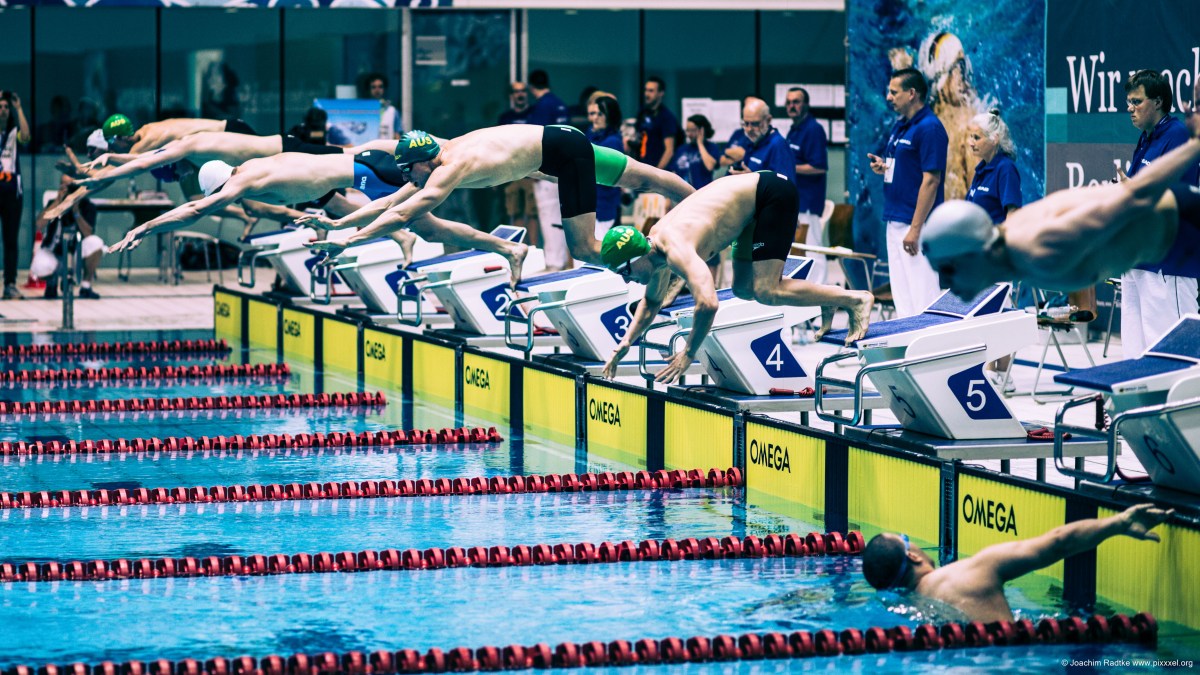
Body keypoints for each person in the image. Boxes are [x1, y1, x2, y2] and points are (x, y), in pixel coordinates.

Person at [920, 83, 1200, 301]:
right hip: (1166, 245)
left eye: (949, 270)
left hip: (1185, 229)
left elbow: (1136, 195)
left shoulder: (1041, 246)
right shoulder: (1013, 247)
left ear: (977, 252)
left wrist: (1196, 144)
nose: (948, 284)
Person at [597, 171, 874, 384]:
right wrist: (625, 343)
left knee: (767, 290)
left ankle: (855, 299)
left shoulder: (676, 249)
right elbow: (651, 303)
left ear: (637, 257)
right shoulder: (654, 250)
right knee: (743, 289)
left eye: (625, 272)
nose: (627, 280)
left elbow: (708, 303)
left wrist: (688, 353)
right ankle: (827, 297)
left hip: (770, 195)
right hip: (748, 211)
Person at [305, 128, 694, 268]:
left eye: (408, 171)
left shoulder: (450, 168)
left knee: (584, 249)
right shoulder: (443, 153)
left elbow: (404, 214)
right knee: (652, 179)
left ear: (423, 162)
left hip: (561, 156)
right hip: (560, 140)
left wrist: (350, 241)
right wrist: (338, 224)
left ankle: (654, 257)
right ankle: (704, 206)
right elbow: (390, 203)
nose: (405, 178)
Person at [105, 151, 519, 282]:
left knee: (428, 227)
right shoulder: (252, 167)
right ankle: (501, 249)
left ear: (221, 185)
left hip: (370, 173)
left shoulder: (241, 182)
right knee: (425, 227)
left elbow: (195, 209)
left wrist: (144, 226)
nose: (220, 202)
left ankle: (506, 250)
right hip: (364, 166)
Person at [862, 503, 1173, 623]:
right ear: (913, 555)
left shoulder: (906, 610)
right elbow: (1057, 543)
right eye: (906, 539)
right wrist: (1118, 523)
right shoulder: (970, 572)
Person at [1116, 70, 1200, 357]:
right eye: (1128, 102)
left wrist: (1134, 192)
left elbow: (1176, 196)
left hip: (1169, 261)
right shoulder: (1146, 139)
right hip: (1139, 258)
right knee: (1135, 352)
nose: (1130, 108)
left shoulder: (1177, 135)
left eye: (1137, 101)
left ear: (1158, 102)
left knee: (1172, 353)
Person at [867, 68, 948, 317]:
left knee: (923, 295)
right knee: (902, 297)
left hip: (917, 223)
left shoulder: (930, 128)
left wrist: (915, 228)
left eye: (894, 92)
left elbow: (931, 181)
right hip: (895, 218)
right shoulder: (901, 126)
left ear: (912, 93)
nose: (888, 97)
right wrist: (885, 166)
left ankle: (931, 341)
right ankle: (907, 339)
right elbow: (907, 166)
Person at [527, 69, 572, 269]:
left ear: (531, 87)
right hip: (563, 167)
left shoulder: (542, 108)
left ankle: (554, 262)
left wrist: (532, 168)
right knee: (560, 217)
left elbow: (535, 141)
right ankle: (561, 260)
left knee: (549, 217)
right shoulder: (560, 105)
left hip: (547, 171)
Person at [36, 175, 104, 300]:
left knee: (96, 243)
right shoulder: (53, 203)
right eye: (63, 184)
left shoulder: (87, 205)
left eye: (70, 185)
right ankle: (51, 284)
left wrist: (76, 210)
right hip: (55, 253)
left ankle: (86, 286)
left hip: (76, 255)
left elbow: (88, 233)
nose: (67, 188)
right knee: (40, 267)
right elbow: (38, 225)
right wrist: (57, 203)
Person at [631, 77, 680, 231]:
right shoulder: (642, 113)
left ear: (660, 93)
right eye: (646, 90)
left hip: (657, 180)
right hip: (642, 178)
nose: (647, 94)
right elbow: (640, 140)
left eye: (651, 91)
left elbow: (669, 150)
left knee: (655, 227)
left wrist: (654, 173)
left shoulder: (666, 118)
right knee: (641, 224)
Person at [498, 82, 538, 245]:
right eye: (516, 92)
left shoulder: (535, 115)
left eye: (523, 91)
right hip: (512, 173)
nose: (520, 94)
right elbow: (499, 145)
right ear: (511, 96)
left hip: (533, 172)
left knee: (533, 213)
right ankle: (520, 247)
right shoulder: (505, 118)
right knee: (515, 212)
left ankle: (533, 247)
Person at [0, 90, 31, 300]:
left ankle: (10, 284)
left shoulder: (13, 133)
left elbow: (26, 137)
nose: (3, 110)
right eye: (0, 107)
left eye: (5, 107)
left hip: (12, 193)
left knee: (11, 240)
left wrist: (18, 108)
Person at [586, 95, 626, 236]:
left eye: (600, 114)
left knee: (598, 245)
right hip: (591, 205)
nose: (595, 118)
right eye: (594, 113)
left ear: (610, 117)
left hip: (604, 208)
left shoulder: (612, 142)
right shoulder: (592, 135)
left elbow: (605, 178)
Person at [729, 99, 796, 181]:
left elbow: (786, 186)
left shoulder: (778, 146)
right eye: (746, 123)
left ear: (768, 120)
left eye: (755, 124)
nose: (749, 129)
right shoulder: (753, 140)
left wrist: (753, 179)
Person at [672, 114, 721, 191]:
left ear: (702, 130)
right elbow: (674, 173)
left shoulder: (711, 147)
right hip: (682, 192)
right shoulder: (682, 149)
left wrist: (700, 144)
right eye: (687, 130)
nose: (689, 134)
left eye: (692, 130)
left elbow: (710, 166)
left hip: (703, 192)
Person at [361, 72, 402, 141]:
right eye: (373, 87)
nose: (377, 90)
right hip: (367, 146)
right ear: (369, 90)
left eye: (380, 87)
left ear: (384, 89)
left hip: (386, 147)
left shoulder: (392, 111)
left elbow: (397, 135)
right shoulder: (361, 111)